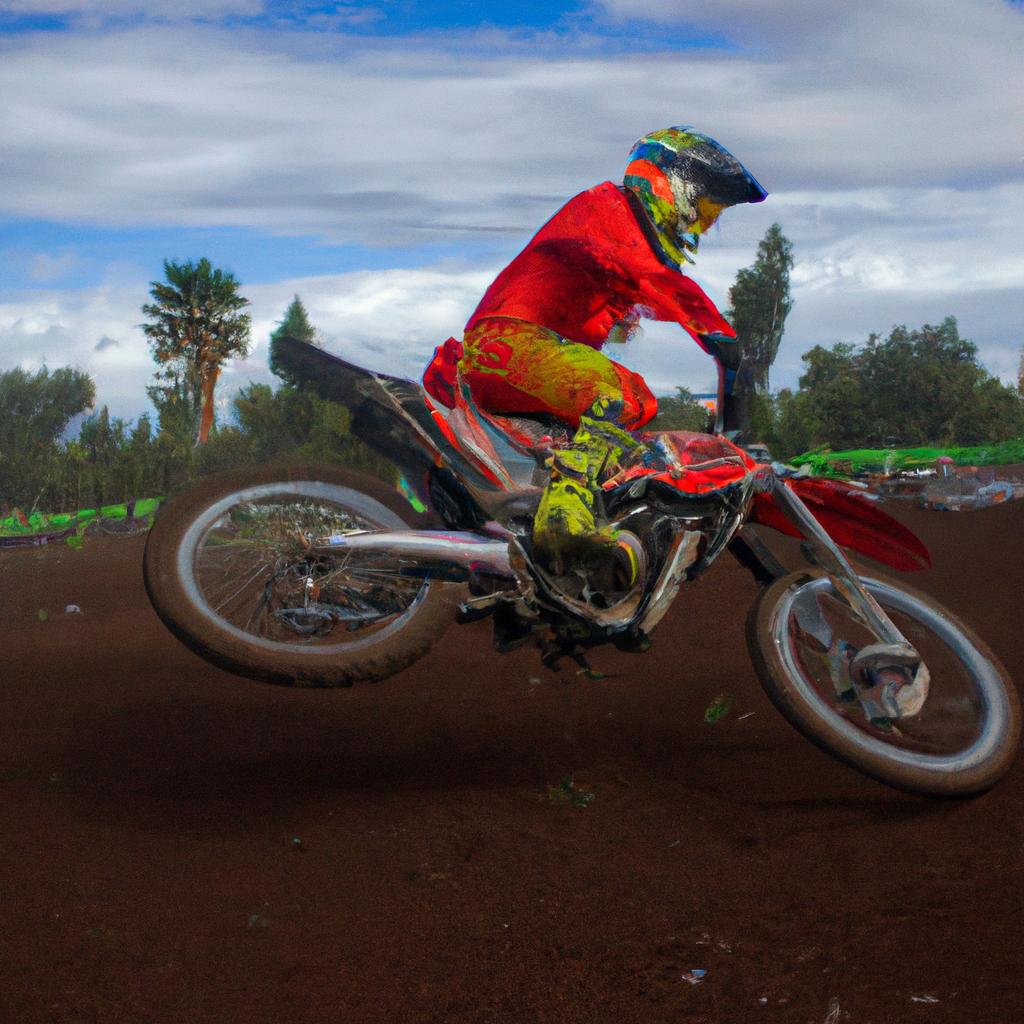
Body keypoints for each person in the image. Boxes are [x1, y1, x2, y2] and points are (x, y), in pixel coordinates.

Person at [422, 126, 767, 582]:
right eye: (703, 207)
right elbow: (659, 284)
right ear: (670, 182)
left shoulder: (622, 236)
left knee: (630, 427)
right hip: (505, 347)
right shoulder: (605, 208)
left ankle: (562, 567)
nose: (700, 223)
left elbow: (642, 291)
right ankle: (565, 521)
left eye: (710, 216)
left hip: (522, 357)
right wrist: (721, 339)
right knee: (616, 389)